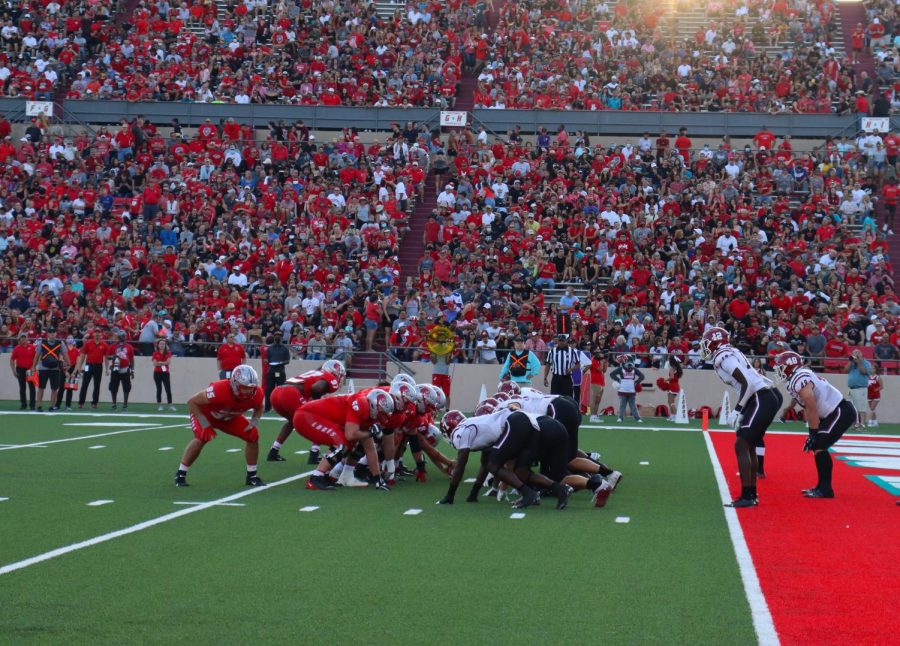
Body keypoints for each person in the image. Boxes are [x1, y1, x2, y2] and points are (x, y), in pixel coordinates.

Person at [701, 326, 783, 508]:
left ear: (715, 342)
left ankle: (748, 496)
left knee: (742, 444)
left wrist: (738, 409)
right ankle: (751, 494)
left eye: (707, 343)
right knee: (749, 445)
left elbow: (747, 383)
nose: (705, 347)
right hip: (764, 396)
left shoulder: (724, 357)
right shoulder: (729, 352)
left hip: (760, 397)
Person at [437, 407, 573, 510]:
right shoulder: (475, 426)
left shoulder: (460, 432)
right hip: (526, 423)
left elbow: (461, 465)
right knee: (521, 472)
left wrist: (450, 494)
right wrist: (474, 493)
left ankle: (528, 494)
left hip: (515, 422)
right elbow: (484, 462)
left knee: (493, 464)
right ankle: (561, 489)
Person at [774, 351, 856, 499]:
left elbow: (811, 405)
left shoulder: (800, 377)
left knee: (819, 443)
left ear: (789, 366)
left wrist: (813, 432)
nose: (779, 370)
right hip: (833, 412)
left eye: (781, 367)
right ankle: (821, 486)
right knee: (817, 445)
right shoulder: (798, 376)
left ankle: (825, 489)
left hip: (839, 410)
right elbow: (807, 404)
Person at [175, 365, 266, 487]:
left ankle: (252, 476)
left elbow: (260, 407)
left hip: (229, 417)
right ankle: (180, 474)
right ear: (234, 383)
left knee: (253, 435)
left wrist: (254, 422)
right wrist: (205, 424)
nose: (249, 391)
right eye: (245, 387)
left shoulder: (257, 394)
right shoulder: (219, 389)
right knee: (201, 438)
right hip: (206, 414)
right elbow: (192, 402)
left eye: (251, 388)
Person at [294, 388, 394, 491]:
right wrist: (370, 433)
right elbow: (350, 434)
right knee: (343, 444)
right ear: (374, 407)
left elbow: (370, 449)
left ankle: (325, 476)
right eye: (382, 414)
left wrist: (378, 478)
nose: (383, 418)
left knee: (350, 443)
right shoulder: (361, 405)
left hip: (316, 417)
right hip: (307, 416)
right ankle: (315, 479)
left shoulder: (369, 413)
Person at [266, 359, 346, 463]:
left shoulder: (317, 372)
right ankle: (314, 454)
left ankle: (273, 451)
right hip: (290, 394)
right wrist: (317, 404)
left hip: (277, 393)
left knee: (291, 422)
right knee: (319, 419)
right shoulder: (330, 377)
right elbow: (316, 389)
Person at [31, 329, 69, 412]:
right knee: (41, 387)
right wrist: (33, 367)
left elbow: (65, 354)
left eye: (53, 332)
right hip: (43, 368)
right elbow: (37, 355)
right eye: (50, 333)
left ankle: (52, 406)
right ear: (48, 334)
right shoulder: (42, 342)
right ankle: (39, 406)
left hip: (55, 369)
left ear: (56, 333)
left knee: (54, 388)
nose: (52, 334)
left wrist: (68, 363)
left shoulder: (60, 343)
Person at [77, 329, 108, 409]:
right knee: (85, 384)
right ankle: (81, 402)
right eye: (96, 332)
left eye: (98, 332)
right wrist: (79, 367)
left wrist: (107, 369)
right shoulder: (88, 343)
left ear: (101, 334)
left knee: (97, 385)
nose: (97, 334)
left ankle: (94, 403)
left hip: (98, 366)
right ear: (93, 334)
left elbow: (106, 358)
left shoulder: (104, 345)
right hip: (88, 365)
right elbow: (83, 355)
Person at [844, 349, 872, 429]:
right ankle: (854, 423)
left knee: (861, 407)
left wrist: (859, 362)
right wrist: (850, 361)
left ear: (861, 354)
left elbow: (864, 372)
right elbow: (845, 370)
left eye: (858, 353)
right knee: (852, 407)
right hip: (851, 388)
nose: (856, 355)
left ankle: (862, 423)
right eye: (854, 353)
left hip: (861, 388)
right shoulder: (852, 363)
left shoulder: (866, 363)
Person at [107, 331, 135, 411]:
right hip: (115, 368)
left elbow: (132, 359)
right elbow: (108, 356)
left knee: (126, 387)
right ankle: (114, 403)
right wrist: (114, 356)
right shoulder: (113, 346)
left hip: (125, 368)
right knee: (113, 387)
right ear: (119, 337)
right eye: (122, 336)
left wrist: (132, 370)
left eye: (124, 336)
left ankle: (125, 404)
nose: (124, 337)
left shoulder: (129, 346)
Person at [263, 334, 291, 411]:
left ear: (281, 338)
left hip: (280, 370)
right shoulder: (270, 348)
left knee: (281, 390)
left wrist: (280, 362)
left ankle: (281, 408)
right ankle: (267, 408)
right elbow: (268, 359)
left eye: (279, 336)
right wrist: (267, 361)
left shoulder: (284, 349)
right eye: (276, 336)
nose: (277, 338)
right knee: (269, 390)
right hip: (271, 370)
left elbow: (287, 361)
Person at [10, 335, 36, 410]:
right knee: (22, 387)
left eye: (25, 339)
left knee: (32, 387)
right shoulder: (17, 348)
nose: (24, 341)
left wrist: (33, 367)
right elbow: (12, 360)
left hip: (30, 369)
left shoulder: (32, 347)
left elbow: (37, 357)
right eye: (22, 339)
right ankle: (23, 404)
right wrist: (14, 371)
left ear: (27, 339)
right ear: (20, 340)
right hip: (20, 369)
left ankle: (32, 405)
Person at [54, 340, 80, 411]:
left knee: (70, 389)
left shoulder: (77, 351)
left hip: (73, 370)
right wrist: (65, 371)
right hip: (64, 370)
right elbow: (61, 361)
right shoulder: (63, 350)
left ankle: (68, 406)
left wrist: (74, 372)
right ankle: (57, 405)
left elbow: (78, 363)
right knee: (61, 389)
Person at [656, 355, 683, 421]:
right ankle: (672, 416)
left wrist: (665, 380)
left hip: (672, 386)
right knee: (670, 402)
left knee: (671, 402)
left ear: (671, 361)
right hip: (675, 385)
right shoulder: (677, 368)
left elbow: (672, 377)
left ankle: (676, 416)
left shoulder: (672, 368)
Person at [152, 339, 175, 411]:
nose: (162, 345)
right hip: (157, 373)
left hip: (165, 373)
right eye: (160, 344)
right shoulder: (155, 353)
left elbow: (168, 362)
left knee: (168, 389)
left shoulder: (168, 353)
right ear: (158, 345)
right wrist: (163, 362)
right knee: (159, 389)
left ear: (165, 345)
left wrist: (160, 362)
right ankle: (160, 405)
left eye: (163, 344)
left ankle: (170, 405)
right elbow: (155, 363)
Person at [587, 348, 607, 422]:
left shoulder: (599, 361)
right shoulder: (593, 360)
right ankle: (592, 416)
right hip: (595, 382)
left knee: (598, 401)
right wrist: (602, 362)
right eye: (598, 351)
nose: (600, 353)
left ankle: (595, 415)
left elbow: (604, 370)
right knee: (594, 400)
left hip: (601, 382)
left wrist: (606, 361)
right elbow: (600, 369)